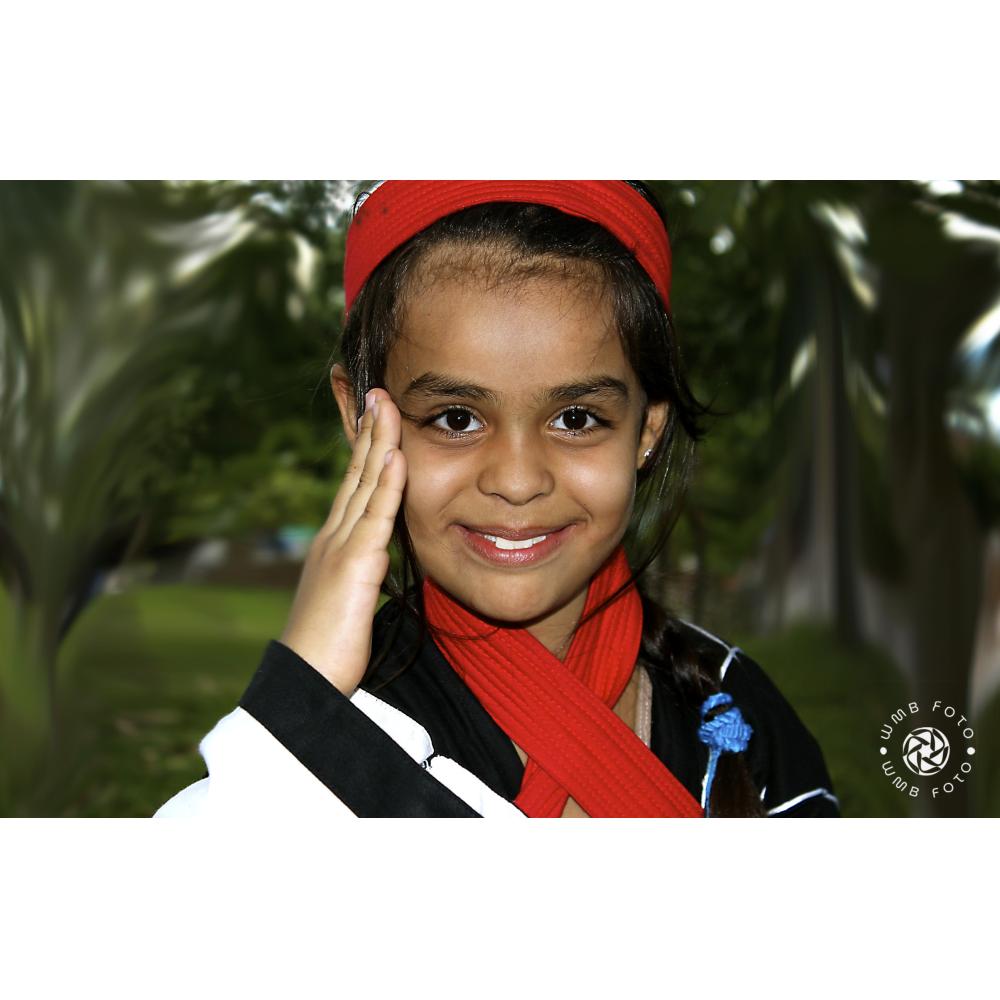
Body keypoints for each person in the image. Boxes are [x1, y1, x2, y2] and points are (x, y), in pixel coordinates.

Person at [156, 180, 840, 819]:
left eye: (576, 418)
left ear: (646, 430)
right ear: (360, 415)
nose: (516, 480)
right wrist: (301, 699)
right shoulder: (331, 722)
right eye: (456, 419)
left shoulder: (735, 711)